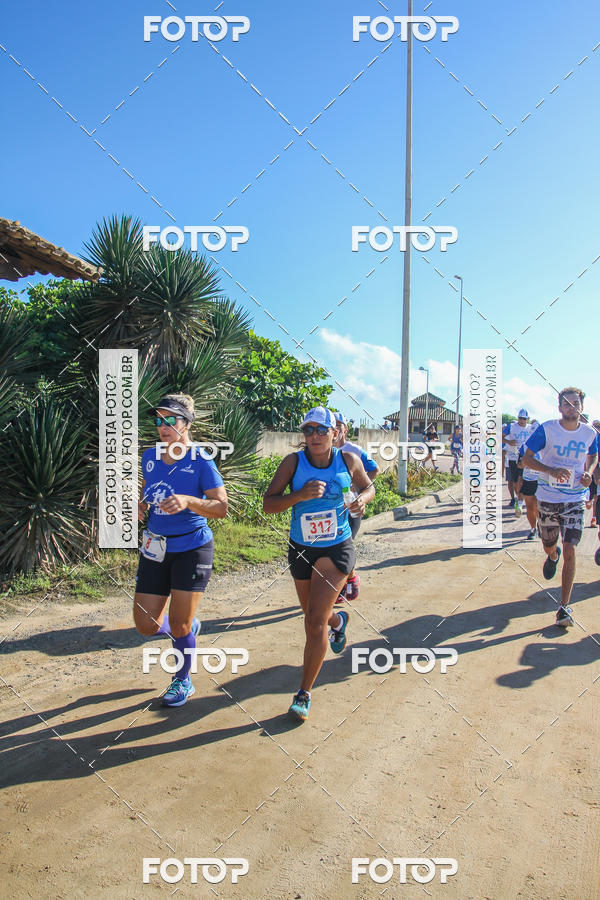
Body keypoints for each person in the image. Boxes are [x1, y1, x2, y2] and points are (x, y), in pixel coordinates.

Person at [263, 407, 375, 722]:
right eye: (308, 430)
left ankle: (303, 693)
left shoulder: (347, 461)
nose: (313, 436)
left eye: (320, 430)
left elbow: (369, 487)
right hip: (301, 549)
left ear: (333, 433)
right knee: (316, 616)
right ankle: (338, 622)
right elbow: (269, 504)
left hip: (337, 547)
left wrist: (361, 500)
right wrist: (299, 495)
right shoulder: (293, 463)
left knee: (312, 623)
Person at [134, 394, 228, 706]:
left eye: (170, 420)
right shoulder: (150, 456)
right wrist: (142, 504)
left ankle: (182, 680)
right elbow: (151, 489)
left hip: (192, 547)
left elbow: (221, 507)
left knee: (179, 624)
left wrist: (189, 501)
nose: (162, 426)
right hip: (156, 548)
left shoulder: (201, 460)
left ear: (186, 423)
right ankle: (184, 627)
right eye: (158, 420)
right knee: (145, 625)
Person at [522, 387, 597, 626]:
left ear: (582, 407)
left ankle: (564, 607)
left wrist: (589, 472)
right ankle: (553, 556)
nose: (571, 407)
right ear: (559, 408)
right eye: (567, 403)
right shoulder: (547, 429)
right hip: (548, 498)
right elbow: (526, 458)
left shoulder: (590, 433)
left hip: (575, 499)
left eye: (575, 403)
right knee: (549, 545)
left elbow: (593, 456)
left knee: (572, 547)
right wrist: (550, 470)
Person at [333, 411, 379, 602]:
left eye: (338, 425)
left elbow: (374, 469)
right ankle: (345, 580)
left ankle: (346, 582)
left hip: (351, 506)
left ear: (345, 429)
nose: (335, 429)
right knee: (333, 546)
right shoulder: (322, 452)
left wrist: (358, 489)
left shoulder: (354, 451)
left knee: (345, 544)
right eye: (332, 425)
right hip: (332, 509)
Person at [504, 409, 534, 516]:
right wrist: (508, 442)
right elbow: (500, 437)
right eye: (520, 418)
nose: (522, 421)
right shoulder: (511, 427)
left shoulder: (531, 428)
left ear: (527, 419)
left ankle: (520, 502)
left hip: (524, 458)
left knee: (522, 480)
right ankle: (518, 499)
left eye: (524, 419)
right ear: (518, 418)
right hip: (512, 457)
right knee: (516, 482)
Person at [517, 426, 539, 540]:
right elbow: (519, 464)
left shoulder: (547, 446)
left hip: (542, 481)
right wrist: (524, 463)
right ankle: (533, 529)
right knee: (530, 507)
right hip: (529, 479)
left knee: (539, 507)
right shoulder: (524, 446)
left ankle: (541, 525)